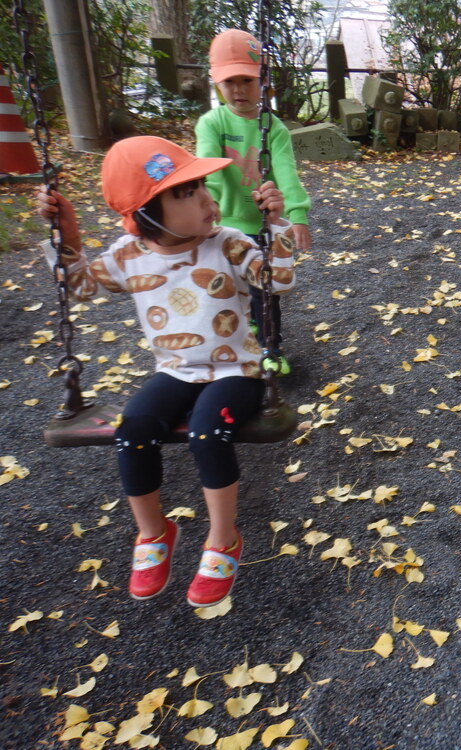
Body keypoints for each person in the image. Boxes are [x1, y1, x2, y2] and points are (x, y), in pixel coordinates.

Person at [36, 136, 296, 606]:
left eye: (201, 186)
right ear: (146, 214)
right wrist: (67, 239)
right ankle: (154, 533)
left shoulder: (229, 244)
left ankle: (222, 538)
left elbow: (278, 280)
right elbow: (78, 288)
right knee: (132, 428)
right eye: (186, 192)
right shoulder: (129, 255)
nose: (205, 198)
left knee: (207, 430)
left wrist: (275, 225)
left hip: (234, 371)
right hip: (175, 370)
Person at [195, 28, 311, 376]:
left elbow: (286, 173)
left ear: (262, 82)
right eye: (229, 81)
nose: (238, 89)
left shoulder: (272, 128)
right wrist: (208, 210)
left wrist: (298, 213)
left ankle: (271, 347)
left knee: (266, 292)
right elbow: (209, 171)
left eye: (247, 80)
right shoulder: (212, 123)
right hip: (221, 225)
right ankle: (228, 346)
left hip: (259, 225)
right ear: (218, 85)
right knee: (224, 291)